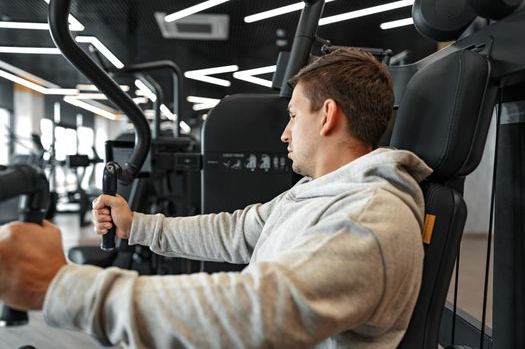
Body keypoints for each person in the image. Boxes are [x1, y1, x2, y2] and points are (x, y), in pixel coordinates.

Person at [0, 47, 432, 348]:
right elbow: (235, 231)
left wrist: (62, 287)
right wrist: (139, 225)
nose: (284, 132)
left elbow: (259, 312)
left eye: (293, 116)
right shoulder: (316, 195)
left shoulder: (372, 217)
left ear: (328, 116)